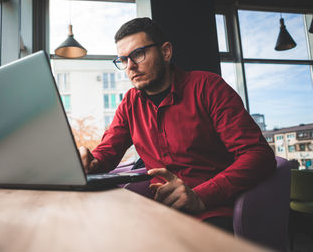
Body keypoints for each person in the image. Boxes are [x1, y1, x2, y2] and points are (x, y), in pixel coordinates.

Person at [79, 17, 276, 232]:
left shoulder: (208, 87)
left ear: (165, 52)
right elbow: (107, 152)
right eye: (123, 59)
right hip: (159, 211)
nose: (130, 66)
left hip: (212, 210)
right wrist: (91, 162)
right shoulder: (130, 103)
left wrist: (200, 196)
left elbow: (258, 155)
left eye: (137, 54)